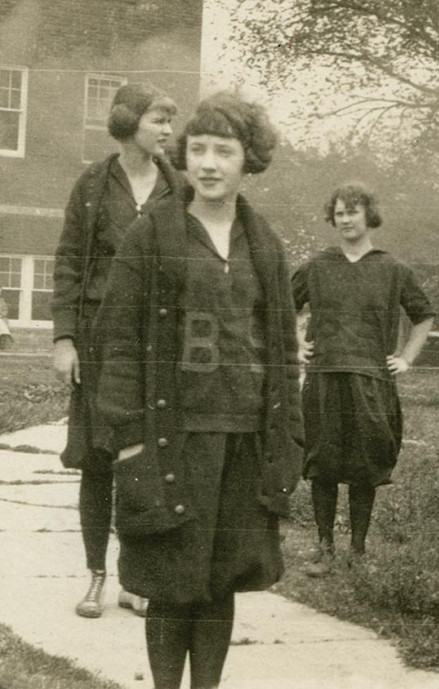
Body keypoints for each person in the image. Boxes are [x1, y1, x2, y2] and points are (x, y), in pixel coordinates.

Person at [91, 92, 303, 689]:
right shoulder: (150, 235)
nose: (208, 163)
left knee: (220, 578)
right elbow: (120, 341)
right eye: (199, 149)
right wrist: (128, 436)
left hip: (243, 438)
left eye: (224, 151)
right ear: (184, 155)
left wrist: (287, 436)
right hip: (171, 437)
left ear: (247, 160)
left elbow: (284, 350)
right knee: (170, 578)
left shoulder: (264, 243)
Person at [51, 82, 180, 618]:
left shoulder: (181, 190)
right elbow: (68, 264)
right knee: (99, 464)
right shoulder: (93, 185)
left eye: (171, 120)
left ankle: (135, 579)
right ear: (130, 123)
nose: (169, 130)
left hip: (158, 347)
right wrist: (64, 338)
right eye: (159, 120)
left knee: (145, 463)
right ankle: (95, 578)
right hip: (101, 347)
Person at [293, 183, 435, 576]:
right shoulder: (318, 265)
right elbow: (283, 304)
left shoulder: (392, 269)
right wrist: (295, 344)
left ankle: (357, 550)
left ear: (368, 215)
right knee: (322, 462)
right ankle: (324, 549)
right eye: (339, 213)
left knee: (364, 464)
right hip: (324, 375)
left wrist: (406, 357)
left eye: (352, 211)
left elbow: (423, 316)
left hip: (371, 380)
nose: (345, 219)